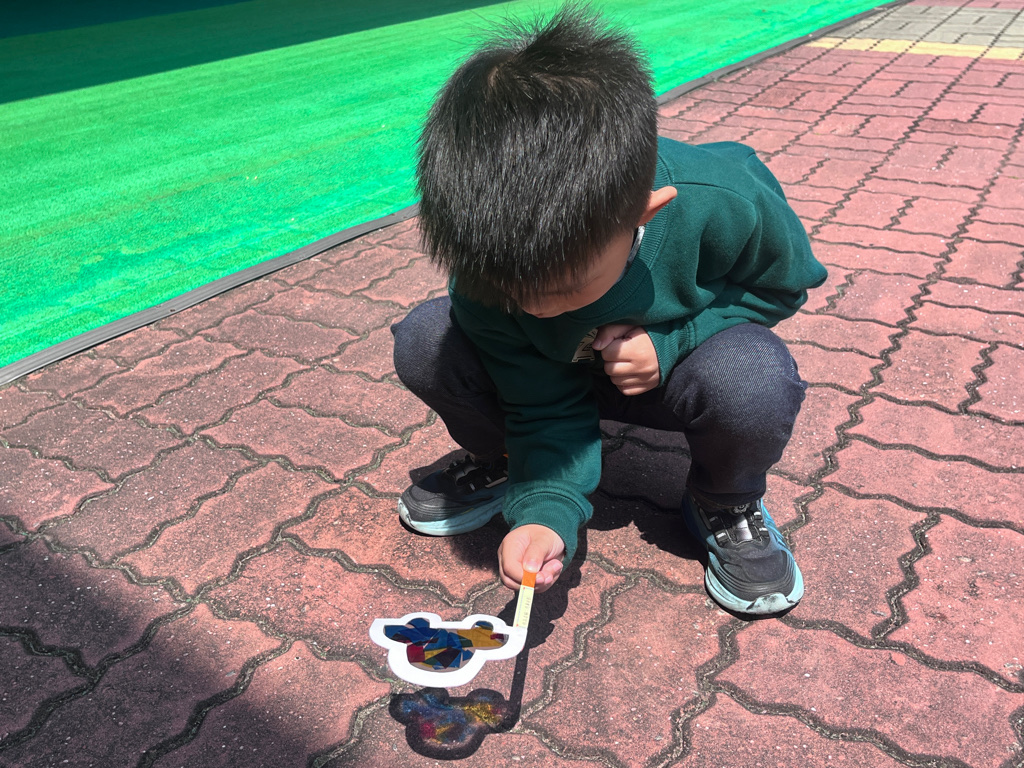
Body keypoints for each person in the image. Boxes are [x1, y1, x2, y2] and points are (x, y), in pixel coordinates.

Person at [391, 5, 827, 615]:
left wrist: (673, 340)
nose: (534, 309)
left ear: (643, 213)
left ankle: (723, 499)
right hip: (550, 381)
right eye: (512, 289)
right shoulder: (490, 263)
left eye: (565, 286)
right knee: (426, 339)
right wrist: (545, 512)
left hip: (672, 380)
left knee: (751, 378)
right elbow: (541, 403)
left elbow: (782, 289)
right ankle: (509, 463)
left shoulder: (726, 198)